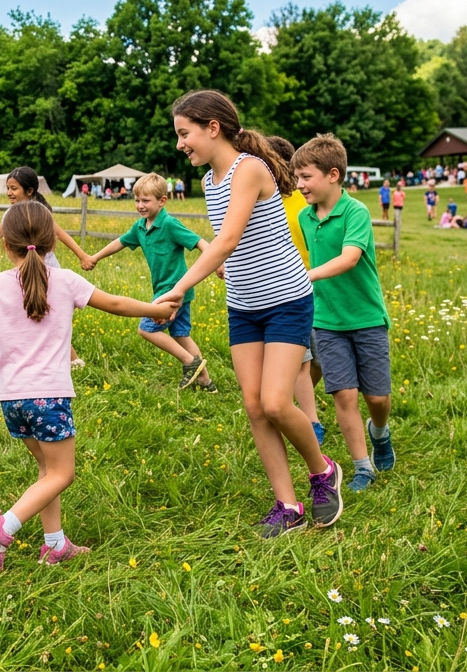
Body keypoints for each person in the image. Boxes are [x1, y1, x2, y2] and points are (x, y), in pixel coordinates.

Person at [0, 201, 173, 572]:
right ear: (53, 242)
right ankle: (4, 527)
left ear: (6, 245)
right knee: (62, 474)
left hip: (11, 399)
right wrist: (157, 310)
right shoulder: (66, 281)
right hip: (48, 397)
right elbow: (114, 304)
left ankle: (55, 544)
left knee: (47, 471)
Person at [155, 90, 343, 539]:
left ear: (212, 128)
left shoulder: (249, 169)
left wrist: (179, 287)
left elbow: (226, 239)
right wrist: (224, 266)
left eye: (185, 133)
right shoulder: (208, 182)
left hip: (285, 300)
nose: (181, 144)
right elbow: (232, 245)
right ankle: (288, 504)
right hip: (243, 305)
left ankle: (322, 471)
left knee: (278, 402)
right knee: (256, 407)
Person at [293, 134, 395, 493]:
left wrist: (307, 275)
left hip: (366, 318)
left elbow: (349, 258)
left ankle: (380, 432)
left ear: (333, 174)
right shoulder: (306, 218)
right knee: (344, 395)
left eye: (306, 177)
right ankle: (362, 467)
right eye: (297, 177)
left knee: (377, 398)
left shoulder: (356, 212)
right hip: (326, 321)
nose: (299, 184)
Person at [82, 173, 217, 391]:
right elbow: (120, 242)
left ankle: (189, 362)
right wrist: (95, 257)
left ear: (162, 201)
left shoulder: (170, 224)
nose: (140, 205)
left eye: (146, 201)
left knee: (147, 329)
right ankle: (206, 382)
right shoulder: (140, 227)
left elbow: (199, 242)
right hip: (170, 289)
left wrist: (218, 263)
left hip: (173, 290)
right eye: (137, 200)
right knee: (181, 334)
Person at [0, 166, 91, 367]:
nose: (9, 192)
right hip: (24, 270)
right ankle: (47, 356)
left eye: (14, 188)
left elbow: (60, 234)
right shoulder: (11, 214)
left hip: (45, 269)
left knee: (49, 316)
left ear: (29, 191)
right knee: (36, 314)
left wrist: (83, 256)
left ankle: (73, 360)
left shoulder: (40, 213)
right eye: (8, 188)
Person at [266, 136, 326, 447]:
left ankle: (295, 400)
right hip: (285, 289)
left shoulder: (305, 200)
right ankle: (311, 420)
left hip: (318, 284)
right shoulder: (264, 199)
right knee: (302, 360)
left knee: (319, 360)